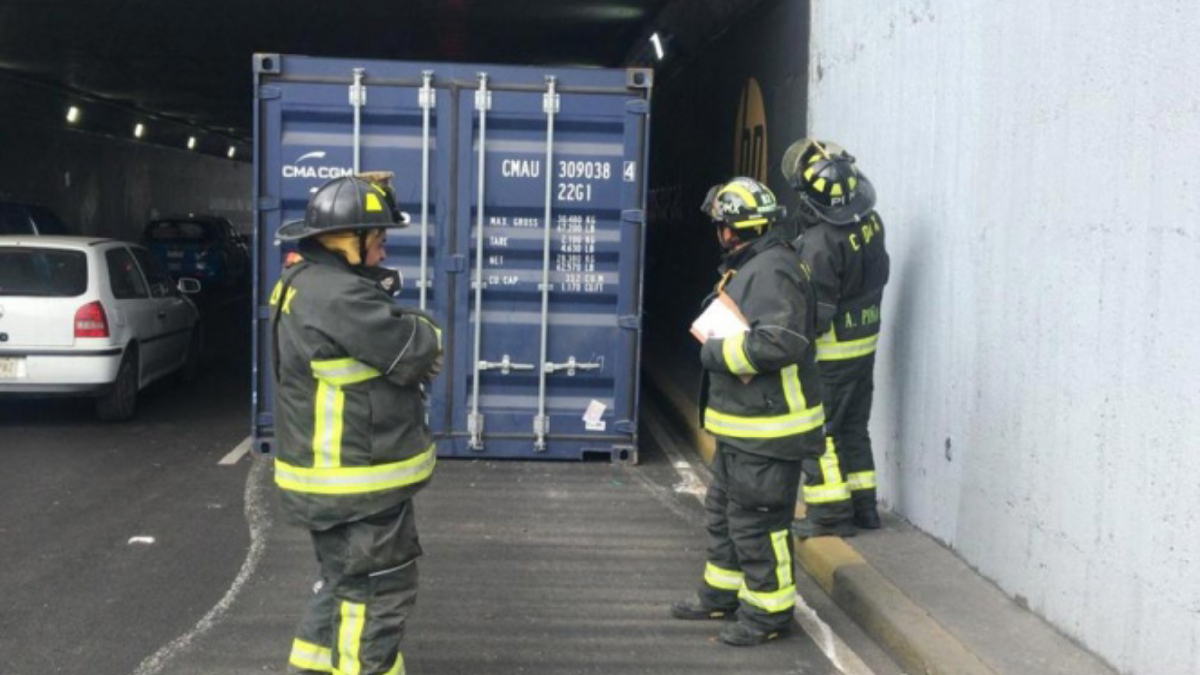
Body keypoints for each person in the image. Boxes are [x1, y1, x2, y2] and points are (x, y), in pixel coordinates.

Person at [270, 175, 443, 675]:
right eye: (379, 240)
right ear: (350, 240)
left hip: (331, 485)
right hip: (358, 487)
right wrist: (416, 321)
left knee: (342, 587)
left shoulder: (304, 283)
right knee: (375, 599)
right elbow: (420, 349)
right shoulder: (339, 297)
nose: (383, 251)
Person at [671, 177, 825, 646]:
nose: (718, 234)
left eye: (721, 225)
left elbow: (781, 342)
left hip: (770, 431)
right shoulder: (755, 264)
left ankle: (767, 615)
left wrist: (715, 353)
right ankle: (721, 594)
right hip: (745, 429)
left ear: (734, 230)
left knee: (759, 525)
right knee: (724, 515)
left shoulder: (773, 270)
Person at [782, 139, 890, 537]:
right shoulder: (871, 221)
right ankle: (865, 507)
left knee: (820, 432)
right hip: (865, 345)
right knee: (854, 427)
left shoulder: (820, 243)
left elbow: (818, 313)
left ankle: (828, 514)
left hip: (832, 356)